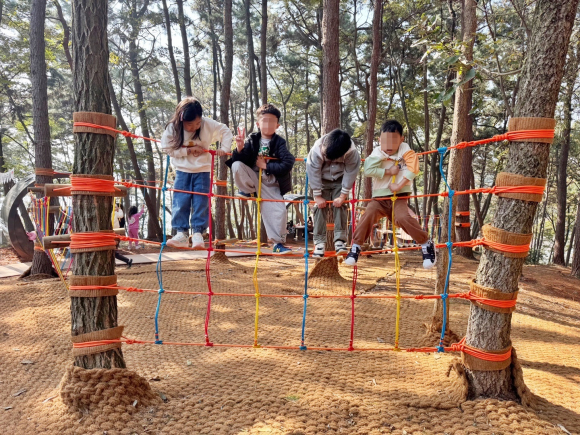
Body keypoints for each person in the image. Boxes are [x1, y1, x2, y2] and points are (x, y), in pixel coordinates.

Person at [344, 120, 436, 268]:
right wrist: (387, 171)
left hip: (399, 196)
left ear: (401, 139)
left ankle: (426, 243)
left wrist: (398, 185)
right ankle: (356, 247)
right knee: (368, 214)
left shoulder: (405, 150)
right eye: (385, 141)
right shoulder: (377, 152)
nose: (389, 146)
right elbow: (367, 170)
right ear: (379, 139)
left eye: (394, 140)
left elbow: (414, 168)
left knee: (402, 217)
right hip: (379, 199)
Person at [161, 97, 233, 248]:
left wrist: (224, 149)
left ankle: (198, 233)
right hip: (182, 170)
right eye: (190, 124)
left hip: (203, 170)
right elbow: (167, 149)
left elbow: (225, 130)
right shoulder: (173, 128)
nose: (194, 127)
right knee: (180, 201)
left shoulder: (207, 124)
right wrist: (188, 150)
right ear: (181, 119)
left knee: (201, 202)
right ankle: (181, 233)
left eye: (197, 123)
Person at [226, 104, 296, 255]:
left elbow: (288, 162)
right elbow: (242, 160)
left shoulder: (279, 142)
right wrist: (239, 148)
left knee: (280, 211)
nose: (268, 124)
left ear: (277, 125)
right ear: (258, 124)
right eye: (265, 121)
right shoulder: (252, 139)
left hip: (270, 182)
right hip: (254, 179)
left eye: (272, 121)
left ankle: (278, 244)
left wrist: (266, 165)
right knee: (236, 165)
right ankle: (248, 191)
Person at [306, 129, 361, 257]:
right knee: (319, 207)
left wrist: (342, 196)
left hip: (340, 179)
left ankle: (340, 241)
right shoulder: (316, 149)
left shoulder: (351, 152)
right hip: (321, 180)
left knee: (340, 205)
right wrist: (317, 196)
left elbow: (351, 172)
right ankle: (319, 242)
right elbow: (313, 171)